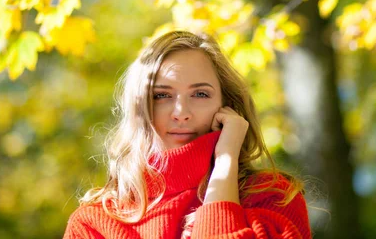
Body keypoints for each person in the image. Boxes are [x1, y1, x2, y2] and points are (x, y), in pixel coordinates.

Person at [63, 30, 311, 239]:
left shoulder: (274, 198)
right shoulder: (94, 224)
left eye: (200, 94)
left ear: (228, 106)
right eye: (162, 95)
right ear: (139, 108)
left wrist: (225, 165)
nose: (181, 113)